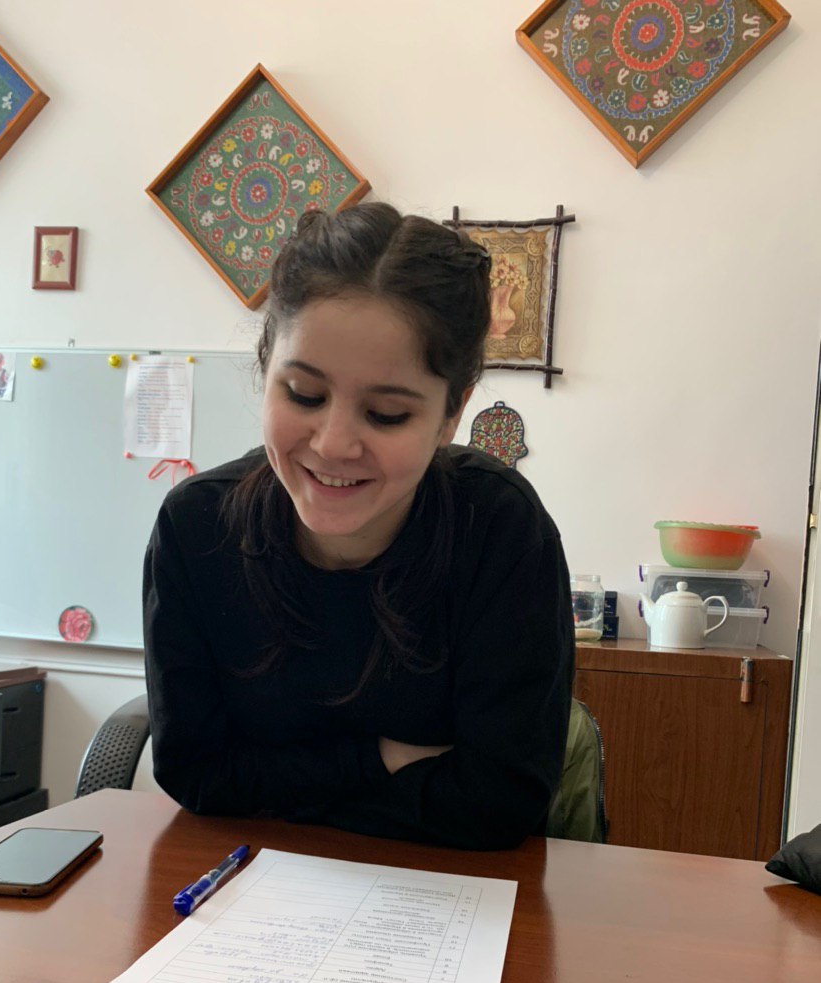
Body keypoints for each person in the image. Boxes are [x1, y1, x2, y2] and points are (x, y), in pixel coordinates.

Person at [143, 202, 573, 851]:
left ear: (450, 414)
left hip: (454, 902)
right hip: (253, 897)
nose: (335, 443)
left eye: (387, 414)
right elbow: (195, 774)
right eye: (305, 396)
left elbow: (500, 801)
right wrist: (381, 758)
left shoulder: (500, 527)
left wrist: (277, 784)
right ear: (267, 371)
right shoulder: (196, 528)